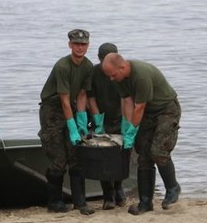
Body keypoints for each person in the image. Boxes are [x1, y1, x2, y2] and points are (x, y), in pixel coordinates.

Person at [101, 52, 181, 215]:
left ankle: (172, 188)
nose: (111, 78)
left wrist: (132, 131)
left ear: (122, 67)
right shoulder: (119, 78)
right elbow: (128, 102)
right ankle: (145, 202)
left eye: (113, 74)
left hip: (166, 110)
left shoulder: (141, 76)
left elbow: (140, 107)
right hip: (147, 113)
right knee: (143, 156)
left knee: (158, 151)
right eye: (109, 75)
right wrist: (129, 128)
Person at [38, 29, 95, 215]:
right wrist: (71, 127)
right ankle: (54, 202)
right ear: (70, 45)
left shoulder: (88, 66)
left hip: (70, 105)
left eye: (84, 44)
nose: (80, 47)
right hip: (52, 110)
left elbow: (82, 95)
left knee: (76, 155)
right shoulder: (63, 66)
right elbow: (63, 99)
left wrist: (81, 121)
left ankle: (80, 202)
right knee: (58, 158)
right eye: (77, 44)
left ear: (88, 45)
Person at [87, 43, 127, 210]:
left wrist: (126, 120)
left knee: (120, 154)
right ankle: (107, 195)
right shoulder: (94, 72)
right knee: (103, 155)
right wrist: (97, 120)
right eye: (105, 59)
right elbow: (91, 97)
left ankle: (118, 187)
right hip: (102, 117)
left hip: (120, 116)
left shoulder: (122, 72)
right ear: (99, 59)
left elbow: (127, 98)